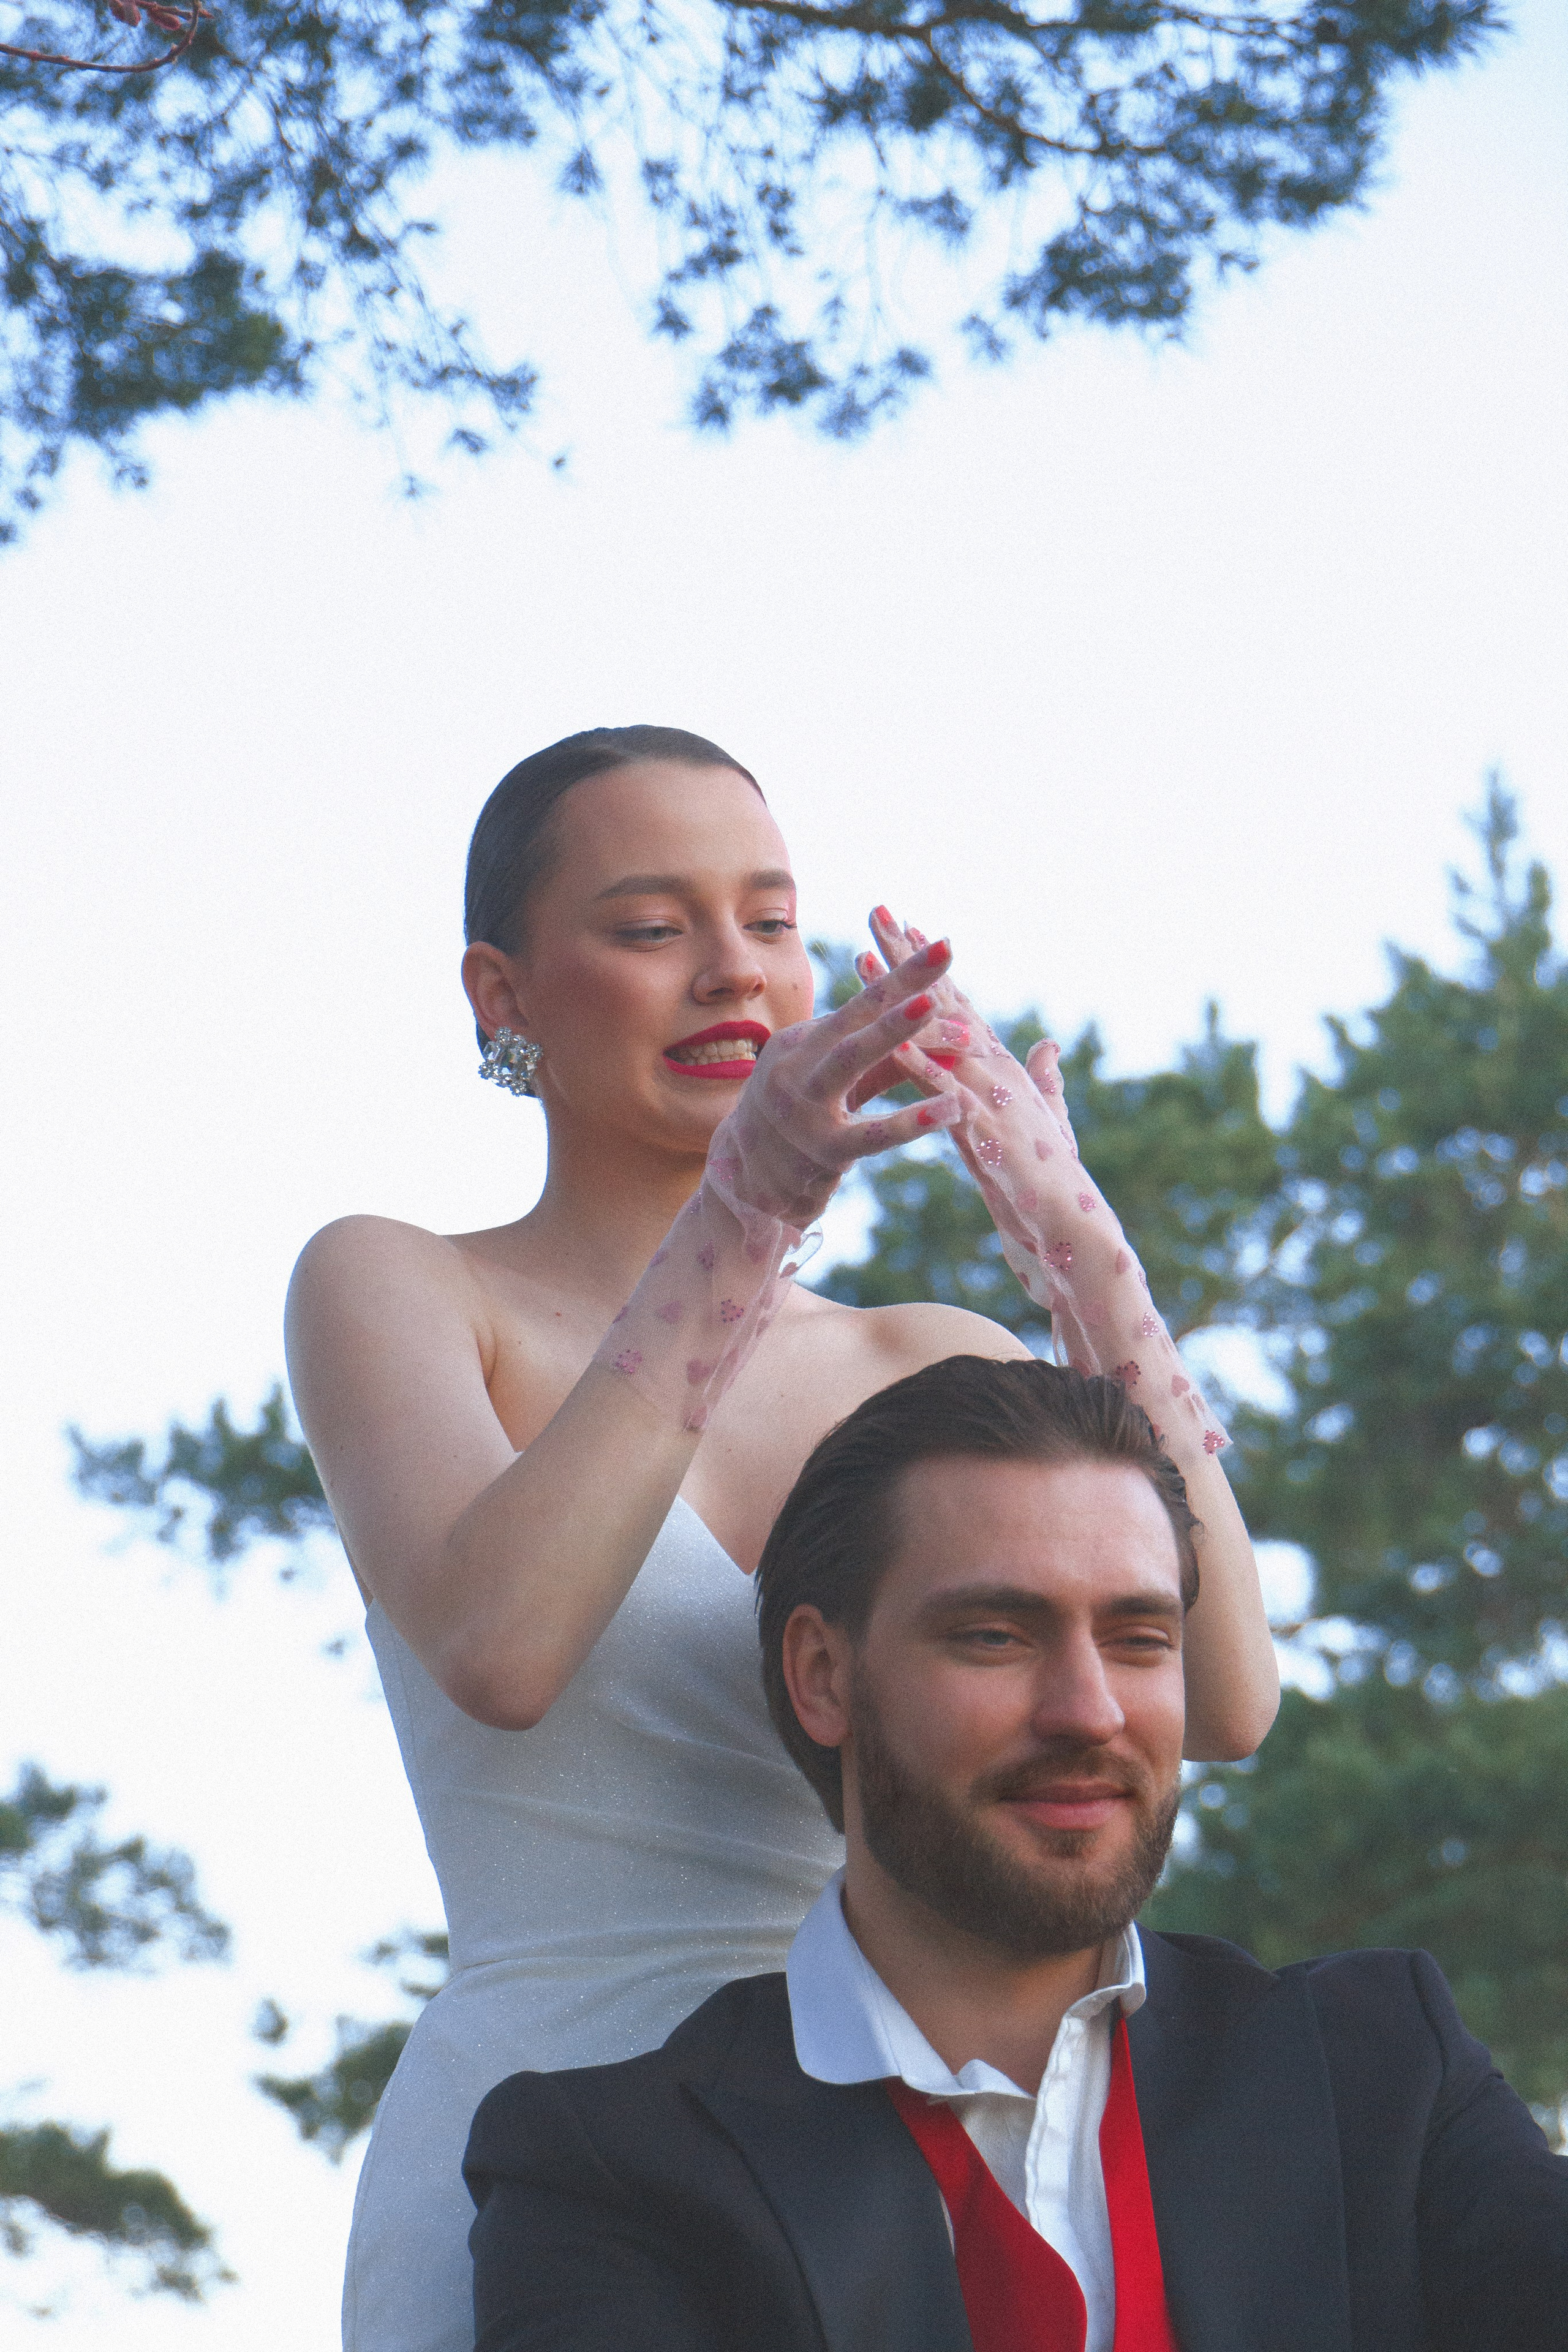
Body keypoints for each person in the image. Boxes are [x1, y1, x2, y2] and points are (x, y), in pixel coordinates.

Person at [285, 726, 1280, 2352]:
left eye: (768, 921)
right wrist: (740, 1220)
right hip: (536, 2119)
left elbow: (1225, 1697)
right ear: (500, 992)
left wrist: (1080, 1253)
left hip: (890, 2150)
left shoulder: (924, 1357)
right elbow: (501, 1648)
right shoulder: (401, 1286)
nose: (731, 971)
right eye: (651, 924)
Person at [466, 1356, 1568, 2352]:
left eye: (1140, 1640)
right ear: (823, 1676)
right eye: (994, 1636)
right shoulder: (610, 2172)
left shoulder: (1384, 2070)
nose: (1089, 1711)